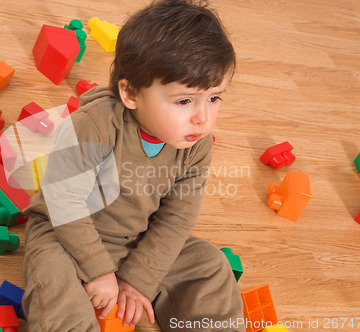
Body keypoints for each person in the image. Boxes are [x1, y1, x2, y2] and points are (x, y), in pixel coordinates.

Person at [22, 0, 245, 331]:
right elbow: (63, 202)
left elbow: (177, 218)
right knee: (53, 278)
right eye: (184, 101)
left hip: (135, 239)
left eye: (214, 98)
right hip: (66, 234)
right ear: (130, 94)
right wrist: (98, 271)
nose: (202, 117)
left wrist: (139, 277)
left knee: (210, 264)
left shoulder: (195, 145)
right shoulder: (93, 126)